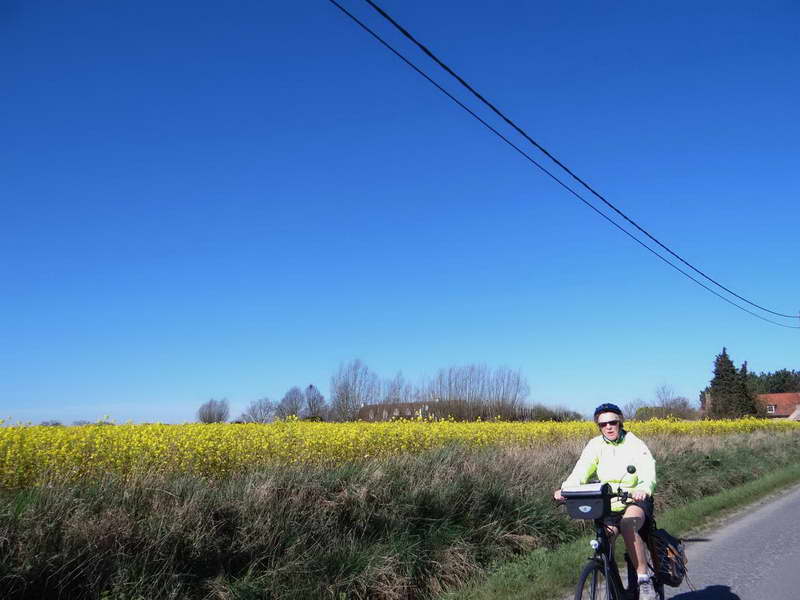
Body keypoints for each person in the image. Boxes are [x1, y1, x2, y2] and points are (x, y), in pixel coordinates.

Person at [553, 403, 657, 600]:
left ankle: (644, 580)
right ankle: (617, 589)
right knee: (604, 539)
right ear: (599, 426)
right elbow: (581, 470)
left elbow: (647, 468)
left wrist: (643, 489)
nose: (608, 427)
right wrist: (566, 489)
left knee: (627, 525)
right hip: (609, 503)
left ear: (620, 422)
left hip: (634, 500)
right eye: (603, 424)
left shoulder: (634, 443)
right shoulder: (595, 445)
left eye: (612, 422)